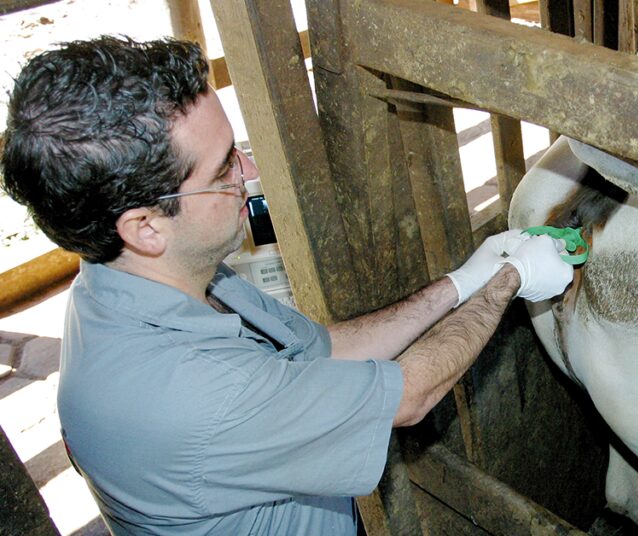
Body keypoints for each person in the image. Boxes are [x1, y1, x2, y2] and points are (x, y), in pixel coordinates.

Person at [0, 36, 572, 535]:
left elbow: (322, 351)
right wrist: (507, 282)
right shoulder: (189, 392)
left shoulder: (150, 278)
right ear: (145, 226)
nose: (248, 172)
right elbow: (411, 396)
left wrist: (461, 281)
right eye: (224, 167)